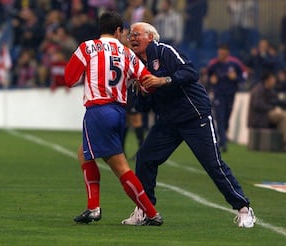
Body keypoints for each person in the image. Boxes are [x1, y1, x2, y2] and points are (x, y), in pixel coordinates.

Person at [121, 22, 256, 228]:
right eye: (130, 35)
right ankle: (145, 210)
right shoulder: (135, 65)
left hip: (195, 117)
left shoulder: (165, 51)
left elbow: (191, 72)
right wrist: (141, 92)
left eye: (137, 34)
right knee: (145, 158)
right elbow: (142, 106)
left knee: (213, 165)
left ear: (150, 37)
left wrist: (162, 81)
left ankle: (244, 209)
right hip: (168, 121)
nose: (132, 38)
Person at [64, 11, 163, 226]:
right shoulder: (127, 53)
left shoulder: (87, 47)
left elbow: (69, 79)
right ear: (118, 30)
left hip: (98, 110)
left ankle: (151, 213)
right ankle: (93, 208)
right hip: (119, 112)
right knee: (84, 153)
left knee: (120, 167)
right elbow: (147, 80)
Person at [206, 43, 247, 152]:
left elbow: (244, 75)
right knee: (220, 117)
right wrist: (211, 80)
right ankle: (223, 143)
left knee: (226, 118)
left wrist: (236, 78)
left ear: (227, 53)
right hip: (218, 94)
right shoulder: (214, 64)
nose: (221, 55)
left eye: (223, 53)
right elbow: (207, 76)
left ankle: (222, 138)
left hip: (231, 94)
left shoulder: (235, 63)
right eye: (220, 52)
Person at [248, 72, 286, 147]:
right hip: (260, 117)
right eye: (273, 79)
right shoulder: (258, 90)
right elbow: (258, 105)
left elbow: (277, 101)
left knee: (283, 115)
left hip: (268, 114)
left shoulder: (271, 90)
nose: (274, 81)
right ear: (267, 80)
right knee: (283, 116)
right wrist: (272, 107)